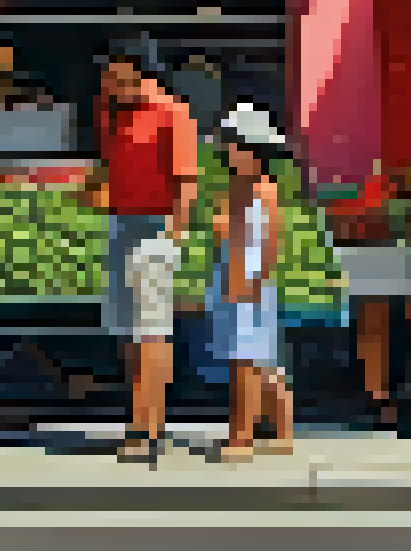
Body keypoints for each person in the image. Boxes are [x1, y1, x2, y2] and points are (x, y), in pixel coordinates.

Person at [83, 49, 199, 464]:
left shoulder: (171, 112)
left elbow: (186, 181)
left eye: (114, 77)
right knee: (128, 332)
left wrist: (176, 233)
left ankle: (146, 428)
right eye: (106, 78)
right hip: (119, 225)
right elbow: (106, 165)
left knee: (150, 331)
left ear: (137, 75)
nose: (107, 85)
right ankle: (144, 420)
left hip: (155, 227)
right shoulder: (110, 112)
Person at [207, 103, 300, 463]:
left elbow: (266, 243)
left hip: (248, 281)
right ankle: (279, 431)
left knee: (246, 363)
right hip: (237, 277)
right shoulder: (241, 188)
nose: (227, 152)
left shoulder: (261, 191)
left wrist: (253, 282)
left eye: (233, 144)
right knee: (258, 364)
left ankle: (242, 437)